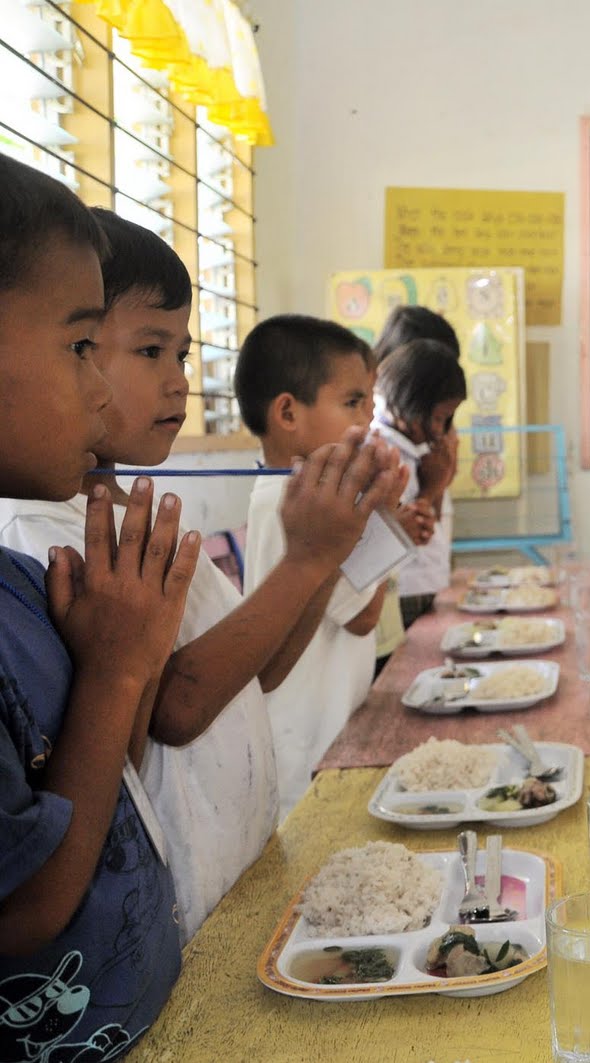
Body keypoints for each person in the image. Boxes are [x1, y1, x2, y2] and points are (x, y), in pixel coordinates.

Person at [0, 210, 398, 942]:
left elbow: (265, 666)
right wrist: (308, 558)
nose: (178, 384)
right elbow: (175, 707)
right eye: (148, 351)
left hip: (234, 874)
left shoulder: (131, 511)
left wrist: (331, 545)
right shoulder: (42, 536)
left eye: (182, 355)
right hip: (171, 915)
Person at [0, 151, 199, 1051]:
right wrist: (121, 666)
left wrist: (125, 663)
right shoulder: (35, 547)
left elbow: (107, 767)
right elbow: (23, 905)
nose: (98, 388)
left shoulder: (14, 589)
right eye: (80, 345)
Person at [235, 315, 394, 818]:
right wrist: (386, 515)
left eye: (369, 403)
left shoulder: (293, 493)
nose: (367, 418)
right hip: (307, 742)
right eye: (352, 402)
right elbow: (364, 614)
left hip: (325, 727)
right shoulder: (297, 502)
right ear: (287, 413)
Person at [370, 304, 461, 659]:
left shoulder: (418, 433)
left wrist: (441, 478)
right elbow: (403, 529)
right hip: (396, 589)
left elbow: (431, 520)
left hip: (426, 577)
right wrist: (435, 486)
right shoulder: (378, 442)